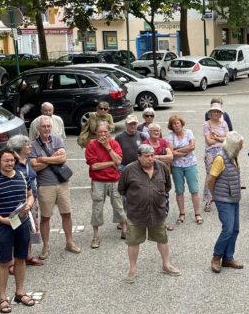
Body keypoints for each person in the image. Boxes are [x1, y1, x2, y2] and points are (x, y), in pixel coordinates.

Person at [0, 149, 36, 314]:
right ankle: (2, 297)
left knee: (21, 258)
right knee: (4, 262)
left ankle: (20, 293)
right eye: (6, 160)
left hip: (22, 223)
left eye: (12, 160)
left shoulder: (22, 176)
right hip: (3, 225)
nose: (9, 163)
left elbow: (30, 195)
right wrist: (1, 219)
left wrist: (29, 205)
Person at [118, 144, 179, 281]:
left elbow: (167, 186)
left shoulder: (162, 167)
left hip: (158, 211)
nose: (150, 159)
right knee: (133, 242)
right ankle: (132, 269)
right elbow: (122, 189)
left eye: (152, 155)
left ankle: (166, 264)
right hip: (136, 213)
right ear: (138, 157)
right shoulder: (129, 170)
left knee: (162, 239)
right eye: (146, 156)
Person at [29, 116, 81, 257]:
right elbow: (35, 167)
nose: (46, 129)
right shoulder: (32, 145)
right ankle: (45, 246)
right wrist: (54, 157)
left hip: (62, 183)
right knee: (45, 217)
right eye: (44, 126)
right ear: (38, 128)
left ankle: (69, 242)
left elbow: (63, 158)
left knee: (67, 213)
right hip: (45, 186)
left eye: (48, 126)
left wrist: (44, 159)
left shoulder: (57, 139)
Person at [206, 133, 244, 273]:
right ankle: (217, 257)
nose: (242, 147)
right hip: (224, 199)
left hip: (234, 198)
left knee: (234, 229)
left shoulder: (233, 155)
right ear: (233, 146)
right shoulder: (220, 158)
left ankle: (228, 258)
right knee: (227, 229)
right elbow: (211, 179)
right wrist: (215, 195)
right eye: (240, 145)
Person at [85, 121, 125, 249]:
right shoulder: (91, 146)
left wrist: (108, 147)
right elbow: (94, 166)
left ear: (109, 132)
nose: (102, 134)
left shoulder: (114, 144)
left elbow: (118, 161)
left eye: (105, 131)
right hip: (98, 181)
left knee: (118, 206)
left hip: (114, 180)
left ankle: (124, 229)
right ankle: (96, 235)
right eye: (100, 132)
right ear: (96, 133)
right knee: (97, 208)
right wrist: (111, 163)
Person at [6, 135, 44, 266]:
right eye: (27, 145)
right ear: (19, 147)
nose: (30, 146)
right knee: (16, 229)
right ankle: (11, 262)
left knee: (30, 228)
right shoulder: (12, 163)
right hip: (17, 202)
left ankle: (27, 255)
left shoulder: (27, 161)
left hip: (31, 200)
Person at [166, 114, 201, 225]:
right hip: (177, 166)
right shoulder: (170, 136)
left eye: (177, 123)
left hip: (191, 164)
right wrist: (185, 150)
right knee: (179, 190)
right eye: (173, 124)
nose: (176, 125)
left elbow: (192, 147)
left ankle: (197, 213)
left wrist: (178, 150)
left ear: (181, 123)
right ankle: (182, 213)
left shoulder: (189, 132)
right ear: (171, 126)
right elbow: (171, 152)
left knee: (194, 190)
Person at [203, 103, 229, 212]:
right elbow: (209, 141)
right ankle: (208, 200)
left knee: (223, 174)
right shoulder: (206, 125)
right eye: (214, 111)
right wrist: (221, 138)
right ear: (210, 113)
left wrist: (217, 137)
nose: (216, 113)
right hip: (211, 151)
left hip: (223, 150)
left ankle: (221, 197)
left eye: (218, 112)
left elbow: (228, 138)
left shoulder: (224, 123)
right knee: (210, 175)